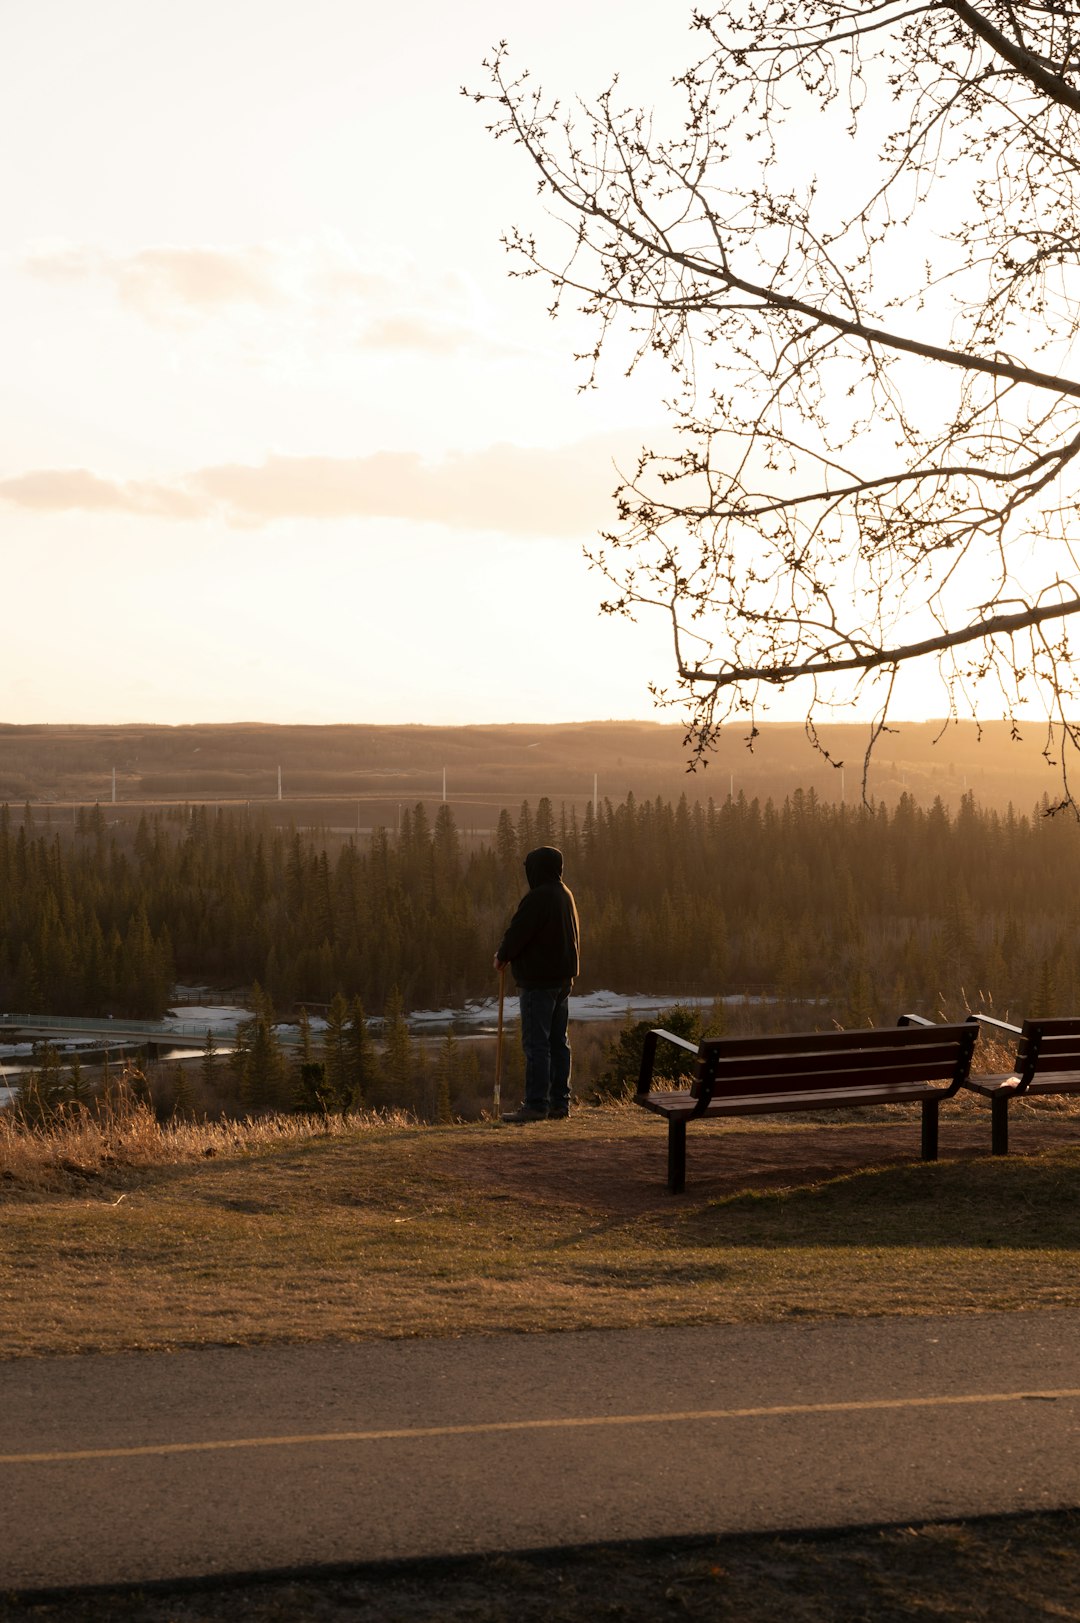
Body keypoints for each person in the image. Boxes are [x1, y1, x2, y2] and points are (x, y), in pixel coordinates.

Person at [494, 845, 580, 1123]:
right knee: (558, 1043)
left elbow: (518, 932)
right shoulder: (565, 894)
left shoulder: (538, 898)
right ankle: (559, 1103)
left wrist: (502, 956)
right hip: (562, 981)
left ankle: (535, 1104)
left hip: (538, 983)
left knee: (536, 1044)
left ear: (537, 869)